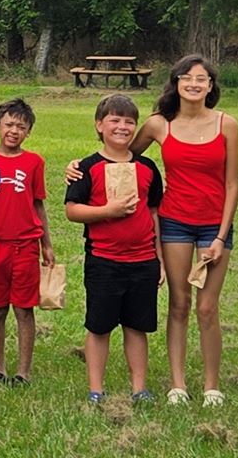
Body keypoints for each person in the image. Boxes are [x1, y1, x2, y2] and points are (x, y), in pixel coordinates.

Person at [136, 55, 238, 407]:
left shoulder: (227, 125)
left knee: (207, 308)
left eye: (202, 78)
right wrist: (80, 167)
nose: (194, 84)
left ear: (211, 86)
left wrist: (221, 236)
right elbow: (123, 155)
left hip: (214, 225)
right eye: (187, 77)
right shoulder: (158, 125)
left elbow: (232, 184)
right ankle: (177, 385)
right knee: (178, 304)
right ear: (176, 82)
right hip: (174, 223)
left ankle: (212, 386)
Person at [62, 94, 164, 403]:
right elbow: (72, 210)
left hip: (143, 260)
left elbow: (154, 212)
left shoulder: (147, 167)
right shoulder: (86, 167)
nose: (122, 127)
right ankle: (96, 389)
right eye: (114, 120)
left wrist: (158, 256)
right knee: (99, 326)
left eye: (129, 121)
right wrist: (107, 211)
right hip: (104, 260)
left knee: (137, 326)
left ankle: (139, 388)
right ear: (99, 125)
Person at [0, 96, 54, 387]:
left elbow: (38, 205)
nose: (13, 131)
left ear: (28, 131)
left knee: (23, 308)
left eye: (21, 126)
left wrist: (47, 244)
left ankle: (23, 370)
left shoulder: (34, 162)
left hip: (25, 245)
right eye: (8, 124)